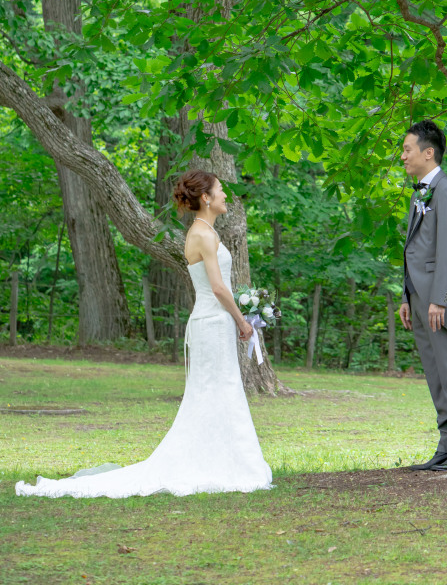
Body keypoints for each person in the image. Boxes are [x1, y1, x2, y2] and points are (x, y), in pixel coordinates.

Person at [16, 170, 272, 498]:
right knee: (212, 388)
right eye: (221, 191)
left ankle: (225, 459)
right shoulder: (203, 235)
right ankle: (215, 463)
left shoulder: (208, 232)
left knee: (222, 388)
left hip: (214, 322)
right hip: (212, 321)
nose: (226, 196)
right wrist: (242, 321)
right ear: (206, 198)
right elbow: (219, 288)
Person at [399, 120, 447, 471]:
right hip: (418, 296)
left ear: (428, 153)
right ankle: (446, 443)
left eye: (407, 150)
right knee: (434, 373)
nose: (402, 156)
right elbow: (412, 249)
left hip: (438, 299)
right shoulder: (419, 193)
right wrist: (406, 295)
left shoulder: (446, 191)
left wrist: (440, 299)